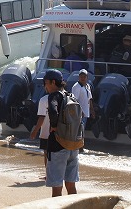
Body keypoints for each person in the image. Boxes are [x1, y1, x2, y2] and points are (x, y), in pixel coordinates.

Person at [44, 69, 79, 197]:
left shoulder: (54, 96)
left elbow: (53, 111)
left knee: (57, 186)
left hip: (58, 146)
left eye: (46, 82)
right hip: (73, 145)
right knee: (71, 185)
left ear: (53, 82)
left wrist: (53, 125)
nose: (45, 86)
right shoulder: (71, 95)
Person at [30, 76, 53, 169]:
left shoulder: (43, 100)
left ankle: (48, 174)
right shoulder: (62, 98)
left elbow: (42, 117)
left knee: (47, 153)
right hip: (59, 133)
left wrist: (35, 131)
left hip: (46, 133)